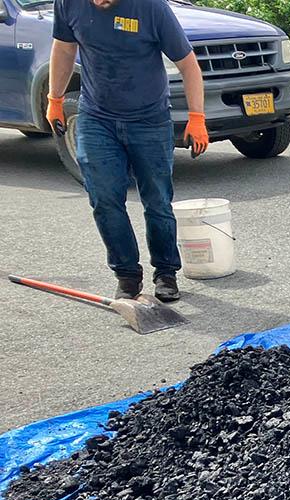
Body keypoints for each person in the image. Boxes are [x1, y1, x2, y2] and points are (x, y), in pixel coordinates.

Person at [46, 0, 209, 303]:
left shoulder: (151, 7)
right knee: (104, 198)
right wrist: (55, 98)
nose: (101, 2)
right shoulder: (68, 3)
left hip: (149, 119)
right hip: (97, 118)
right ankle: (127, 275)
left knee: (157, 200)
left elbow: (188, 63)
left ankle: (165, 272)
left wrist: (197, 117)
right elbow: (65, 47)